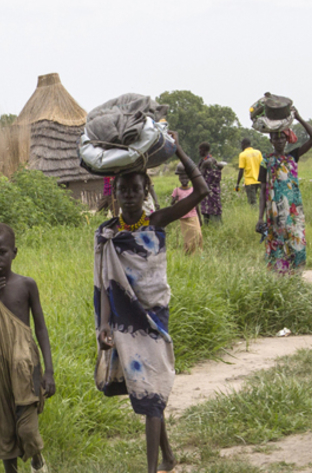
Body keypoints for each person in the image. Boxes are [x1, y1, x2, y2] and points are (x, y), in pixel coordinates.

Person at [95, 132, 207, 473]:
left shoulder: (157, 221)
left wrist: (178, 148)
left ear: (146, 192)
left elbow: (201, 191)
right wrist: (103, 325)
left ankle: (152, 468)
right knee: (147, 393)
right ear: (115, 194)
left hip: (155, 316)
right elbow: (103, 282)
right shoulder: (107, 233)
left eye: (136, 189)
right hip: (124, 322)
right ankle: (167, 459)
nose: (130, 195)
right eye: (123, 189)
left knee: (152, 391)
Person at [0, 223, 55, 473]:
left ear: (14, 252)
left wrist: (49, 371)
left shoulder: (27, 285)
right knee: (2, 428)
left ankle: (36, 459)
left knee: (27, 428)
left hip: (25, 364)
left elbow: (41, 329)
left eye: (1, 252)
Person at [256, 109, 312, 275]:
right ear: (271, 140)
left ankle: (296, 277)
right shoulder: (265, 161)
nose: (279, 141)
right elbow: (262, 189)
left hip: (294, 212)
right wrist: (259, 217)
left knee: (297, 246)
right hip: (274, 214)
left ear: (287, 139)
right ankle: (280, 282)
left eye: (282, 137)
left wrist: (298, 117)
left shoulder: (293, 156)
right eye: (276, 138)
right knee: (278, 247)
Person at [170, 165, 204, 254]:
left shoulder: (193, 190)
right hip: (183, 218)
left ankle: (198, 253)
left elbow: (196, 205)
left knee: (197, 235)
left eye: (186, 178)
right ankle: (189, 253)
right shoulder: (176, 190)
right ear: (179, 179)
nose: (184, 180)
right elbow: (172, 205)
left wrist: (200, 218)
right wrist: (174, 199)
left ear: (189, 179)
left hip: (193, 216)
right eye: (182, 178)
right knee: (188, 238)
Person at [197, 142, 223, 224]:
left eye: (200, 150)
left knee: (209, 208)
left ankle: (211, 225)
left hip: (208, 189)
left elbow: (199, 175)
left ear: (204, 151)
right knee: (212, 207)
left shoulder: (207, 162)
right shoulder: (210, 160)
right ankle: (212, 225)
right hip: (212, 189)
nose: (199, 152)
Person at [236, 138, 263, 207]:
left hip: (250, 181)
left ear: (243, 145)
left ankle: (255, 215)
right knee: (261, 198)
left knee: (252, 202)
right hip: (259, 180)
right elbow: (262, 166)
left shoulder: (242, 154)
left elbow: (241, 170)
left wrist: (237, 183)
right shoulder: (258, 152)